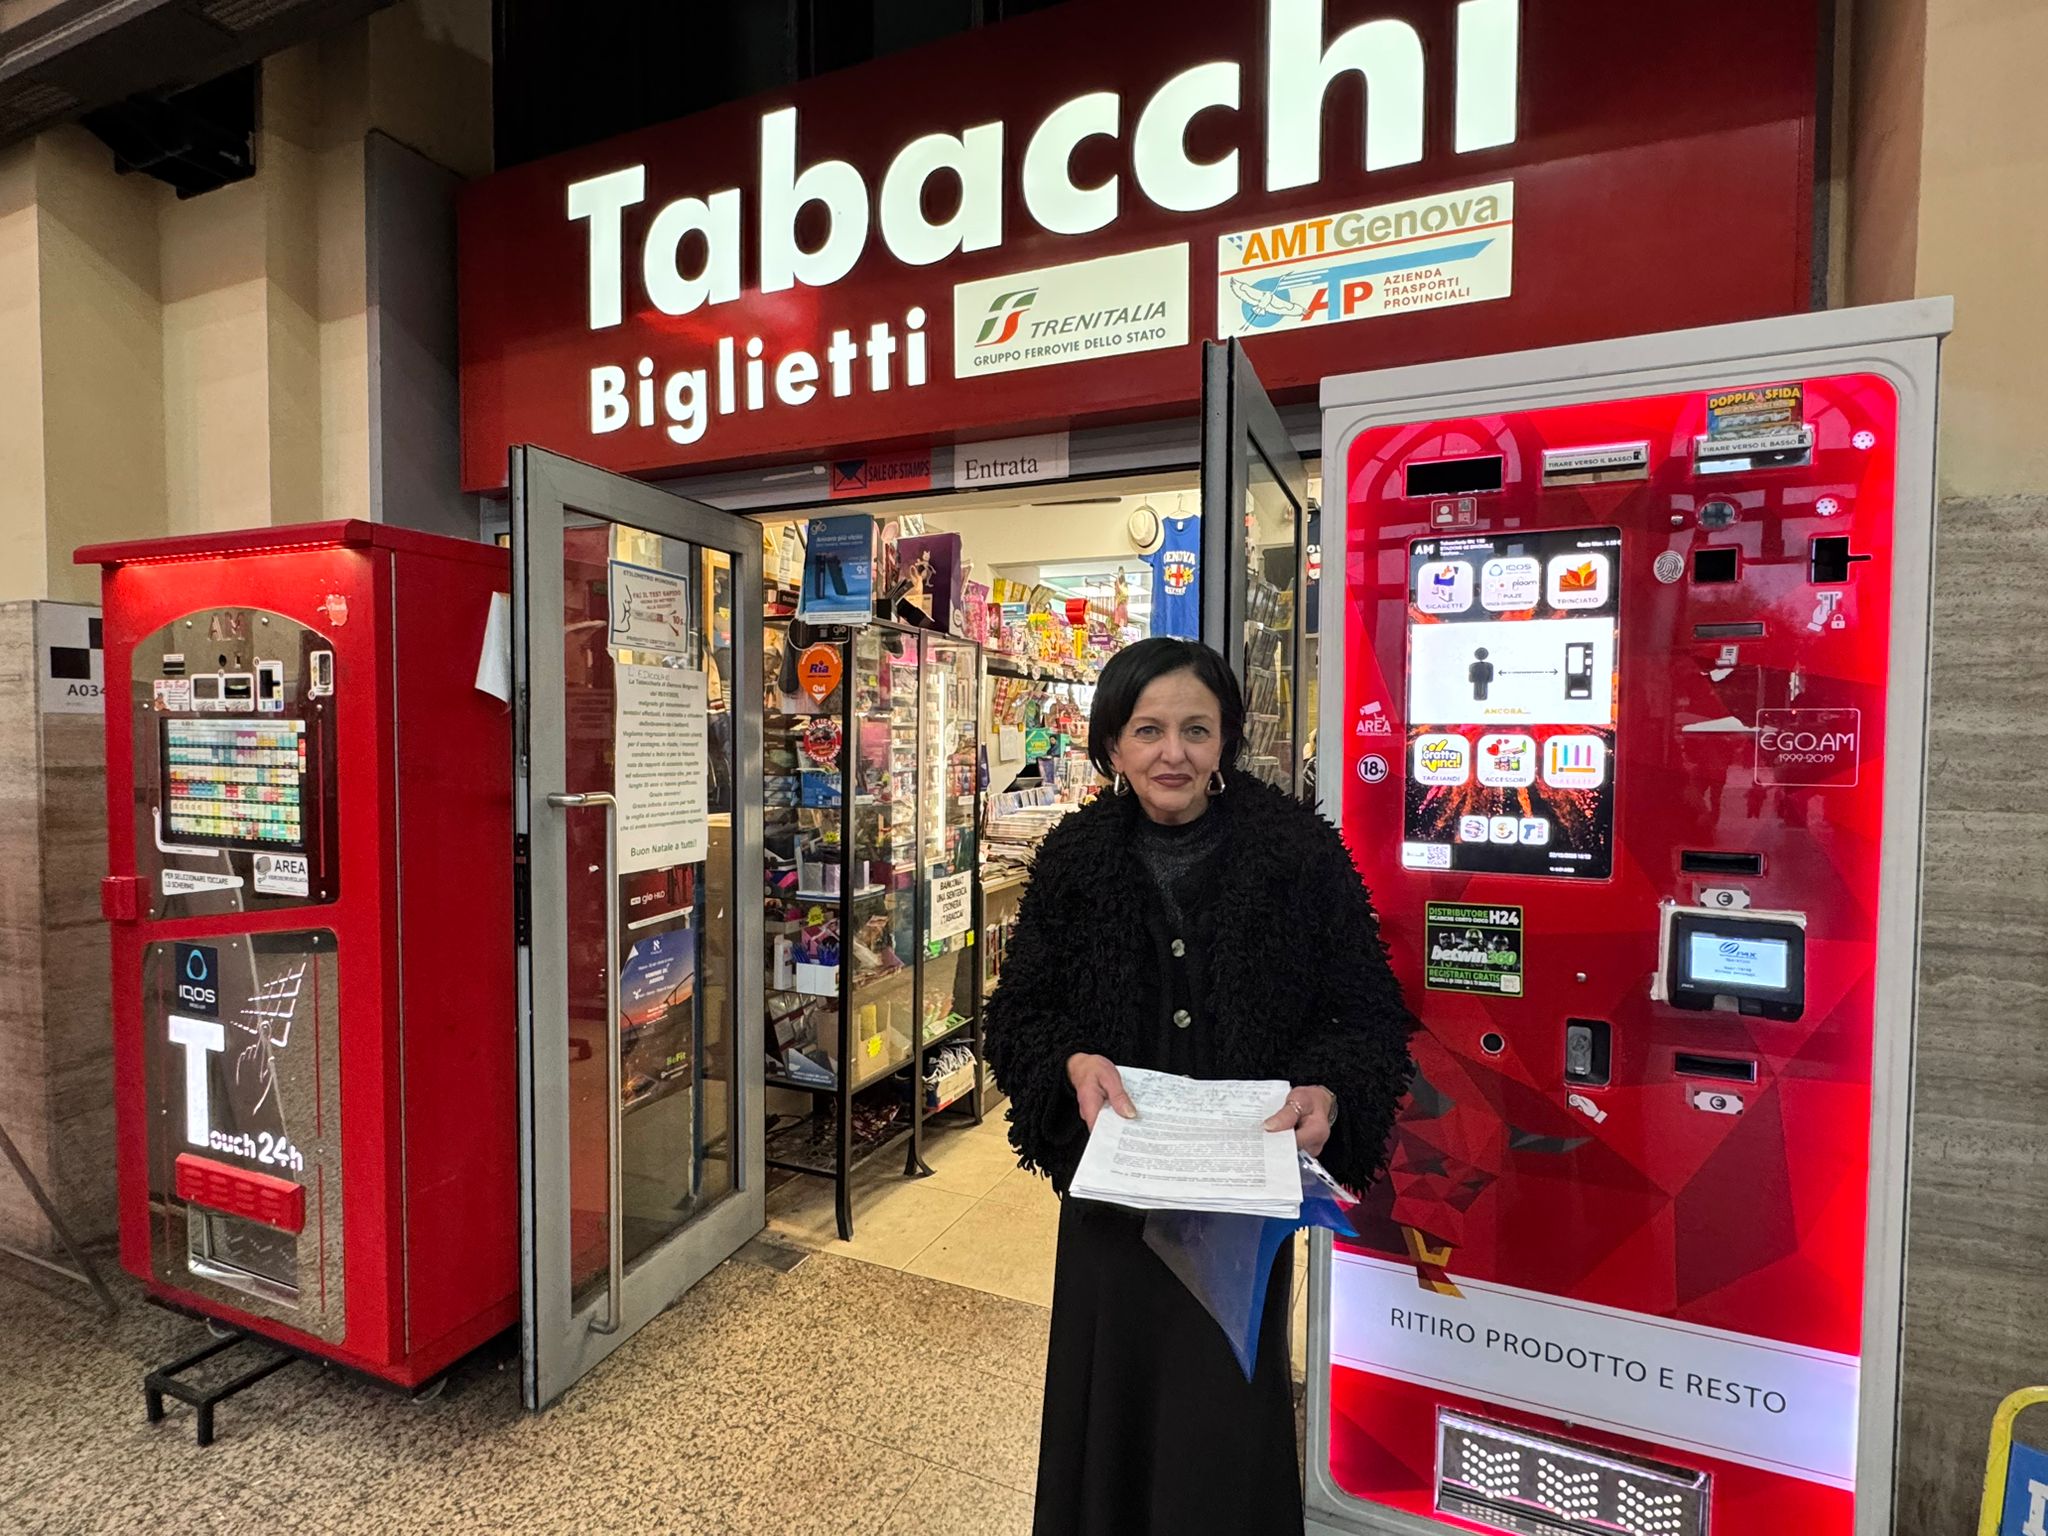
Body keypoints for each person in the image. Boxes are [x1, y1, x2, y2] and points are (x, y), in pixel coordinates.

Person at [984, 637, 1416, 1536]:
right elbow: (1022, 1010)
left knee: (1222, 1414)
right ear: (1111, 744)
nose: (1171, 753)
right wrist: (1068, 1062)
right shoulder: (1075, 858)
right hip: (1114, 1198)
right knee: (1109, 1402)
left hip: (1237, 1210)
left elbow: (1366, 1011)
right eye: (1147, 730)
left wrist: (1329, 1090)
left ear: (1227, 741)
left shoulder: (1296, 853)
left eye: (1195, 729)